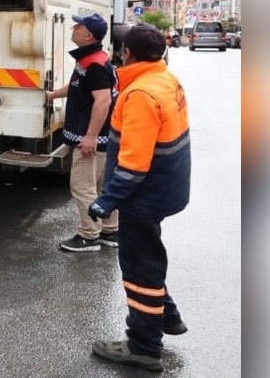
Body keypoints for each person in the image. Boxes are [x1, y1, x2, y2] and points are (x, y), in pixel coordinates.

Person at [88, 23, 191, 371]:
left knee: (140, 267)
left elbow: (133, 165)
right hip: (167, 187)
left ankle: (143, 347)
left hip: (144, 196)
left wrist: (106, 201)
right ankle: (168, 316)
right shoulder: (166, 80)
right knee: (148, 256)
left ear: (126, 53)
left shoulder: (140, 95)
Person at [46, 12, 118, 253]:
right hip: (103, 137)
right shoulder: (92, 59)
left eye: (78, 26)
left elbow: (102, 101)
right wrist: (55, 95)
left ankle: (89, 236)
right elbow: (79, 86)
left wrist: (90, 136)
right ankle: (111, 229)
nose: (73, 28)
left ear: (88, 35)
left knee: (82, 186)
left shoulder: (94, 64)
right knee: (100, 186)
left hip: (92, 138)